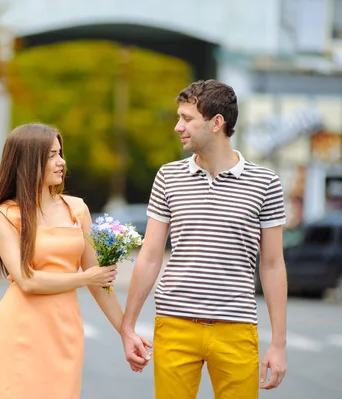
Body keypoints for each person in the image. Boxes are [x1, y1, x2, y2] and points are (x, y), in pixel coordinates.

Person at [120, 80, 288, 398]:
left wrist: (278, 344)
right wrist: (128, 326)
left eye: (186, 118)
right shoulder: (168, 177)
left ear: (216, 123)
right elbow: (151, 255)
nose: (177, 127)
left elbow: (272, 265)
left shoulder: (265, 183)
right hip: (175, 324)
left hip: (236, 329)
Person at [0, 122, 149, 399]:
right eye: (52, 155)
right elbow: (27, 280)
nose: (62, 162)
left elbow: (99, 281)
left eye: (60, 153)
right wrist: (85, 278)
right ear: (28, 161)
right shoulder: (6, 216)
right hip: (21, 328)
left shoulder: (77, 209)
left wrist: (125, 331)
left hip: (65, 329)